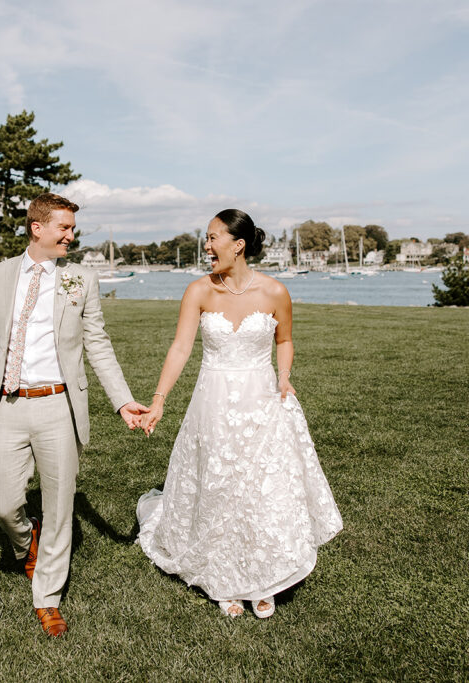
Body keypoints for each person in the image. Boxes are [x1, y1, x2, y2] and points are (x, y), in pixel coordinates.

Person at [136, 209, 343, 619]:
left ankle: (263, 577)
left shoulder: (275, 292)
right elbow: (180, 348)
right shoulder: (198, 291)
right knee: (219, 482)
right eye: (206, 238)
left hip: (261, 399)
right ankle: (224, 579)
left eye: (213, 238)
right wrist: (159, 399)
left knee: (261, 486)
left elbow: (285, 340)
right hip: (211, 400)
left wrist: (284, 377)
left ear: (238, 245)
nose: (207, 246)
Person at [0, 192, 147, 637]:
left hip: (58, 405)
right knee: (5, 503)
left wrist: (123, 401)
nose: (71, 235)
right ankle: (24, 539)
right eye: (64, 228)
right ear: (38, 228)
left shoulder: (80, 279)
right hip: (6, 404)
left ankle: (47, 597)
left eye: (72, 227)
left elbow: (98, 345)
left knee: (60, 506)